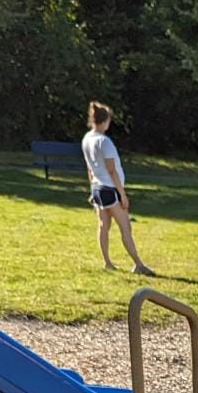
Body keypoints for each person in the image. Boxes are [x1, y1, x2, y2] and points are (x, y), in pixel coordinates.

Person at [81, 101, 155, 277]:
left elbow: (90, 169)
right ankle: (138, 264)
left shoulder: (87, 139)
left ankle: (107, 262)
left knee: (103, 226)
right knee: (125, 227)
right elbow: (112, 170)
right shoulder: (104, 142)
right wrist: (122, 195)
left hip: (97, 187)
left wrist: (92, 189)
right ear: (105, 121)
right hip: (109, 189)